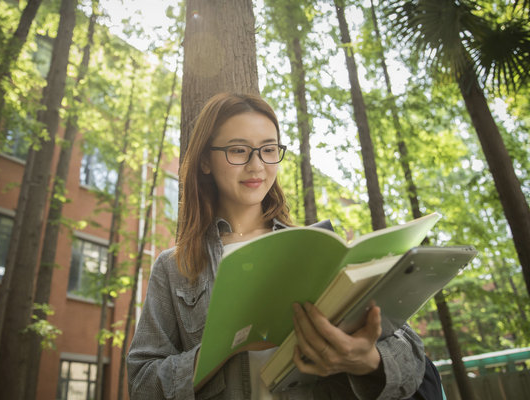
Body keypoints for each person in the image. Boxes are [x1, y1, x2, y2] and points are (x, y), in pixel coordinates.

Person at [126, 93, 426, 399]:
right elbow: (141, 383)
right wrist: (222, 348)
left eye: (268, 150)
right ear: (205, 160)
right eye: (238, 150)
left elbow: (412, 355)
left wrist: (368, 361)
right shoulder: (175, 266)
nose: (256, 165)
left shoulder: (317, 247)